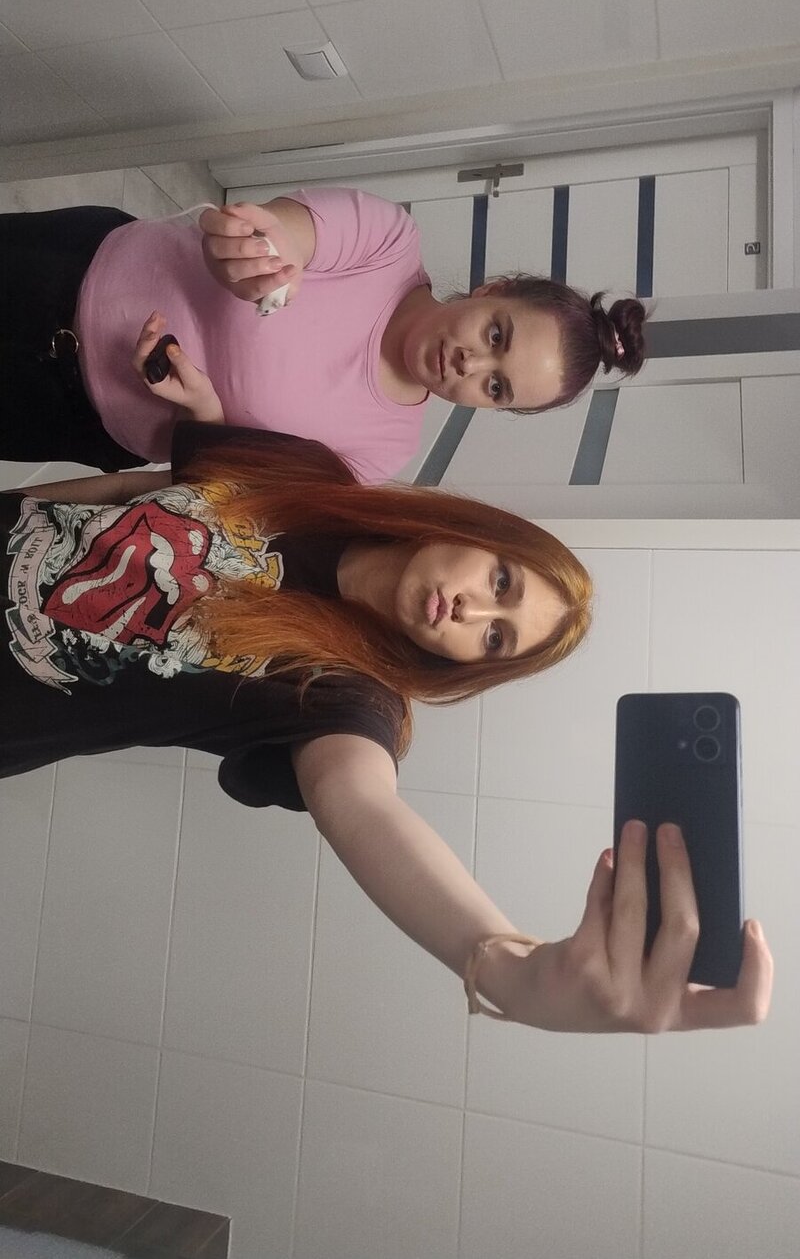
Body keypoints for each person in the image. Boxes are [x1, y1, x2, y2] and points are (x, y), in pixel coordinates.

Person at [0, 423, 771, 1035]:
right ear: (473, 530)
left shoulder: (349, 700)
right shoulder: (308, 475)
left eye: (494, 637)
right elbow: (139, 488)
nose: (473, 610)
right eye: (501, 581)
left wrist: (505, 968)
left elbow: (361, 805)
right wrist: (21, 501)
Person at [0, 189, 646, 480]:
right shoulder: (387, 241)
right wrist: (259, 249)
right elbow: (284, 231)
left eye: (496, 387)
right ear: (493, 289)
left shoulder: (381, 452)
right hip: (61, 270)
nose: (470, 363)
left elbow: (234, 486)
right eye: (497, 336)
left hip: (72, 419)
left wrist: (203, 415)